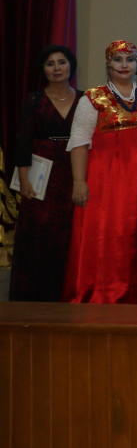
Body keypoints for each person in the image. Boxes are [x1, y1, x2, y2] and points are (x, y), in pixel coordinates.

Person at [64, 40, 137, 304]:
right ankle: (104, 293)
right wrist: (79, 182)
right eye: (118, 59)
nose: (124, 65)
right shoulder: (93, 98)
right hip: (107, 184)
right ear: (108, 64)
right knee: (108, 235)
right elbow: (79, 141)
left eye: (130, 59)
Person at [9, 45, 81, 302]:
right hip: (42, 174)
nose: (57, 68)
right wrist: (24, 180)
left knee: (72, 233)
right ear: (43, 70)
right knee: (39, 233)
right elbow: (23, 144)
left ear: (71, 66)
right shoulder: (34, 100)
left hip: (76, 172)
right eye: (50, 64)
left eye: (62, 62)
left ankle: (70, 293)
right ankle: (36, 297)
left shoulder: (85, 99)